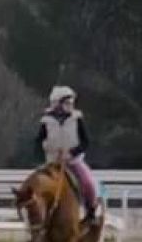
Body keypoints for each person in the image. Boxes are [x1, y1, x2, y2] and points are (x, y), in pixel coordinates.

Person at [35, 85, 100, 222]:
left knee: (88, 182)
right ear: (57, 104)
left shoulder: (77, 119)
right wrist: (46, 152)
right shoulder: (46, 121)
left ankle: (91, 211)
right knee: (36, 183)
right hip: (52, 162)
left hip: (73, 161)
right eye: (67, 103)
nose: (71, 105)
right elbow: (38, 142)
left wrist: (71, 153)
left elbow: (86, 142)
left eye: (71, 103)